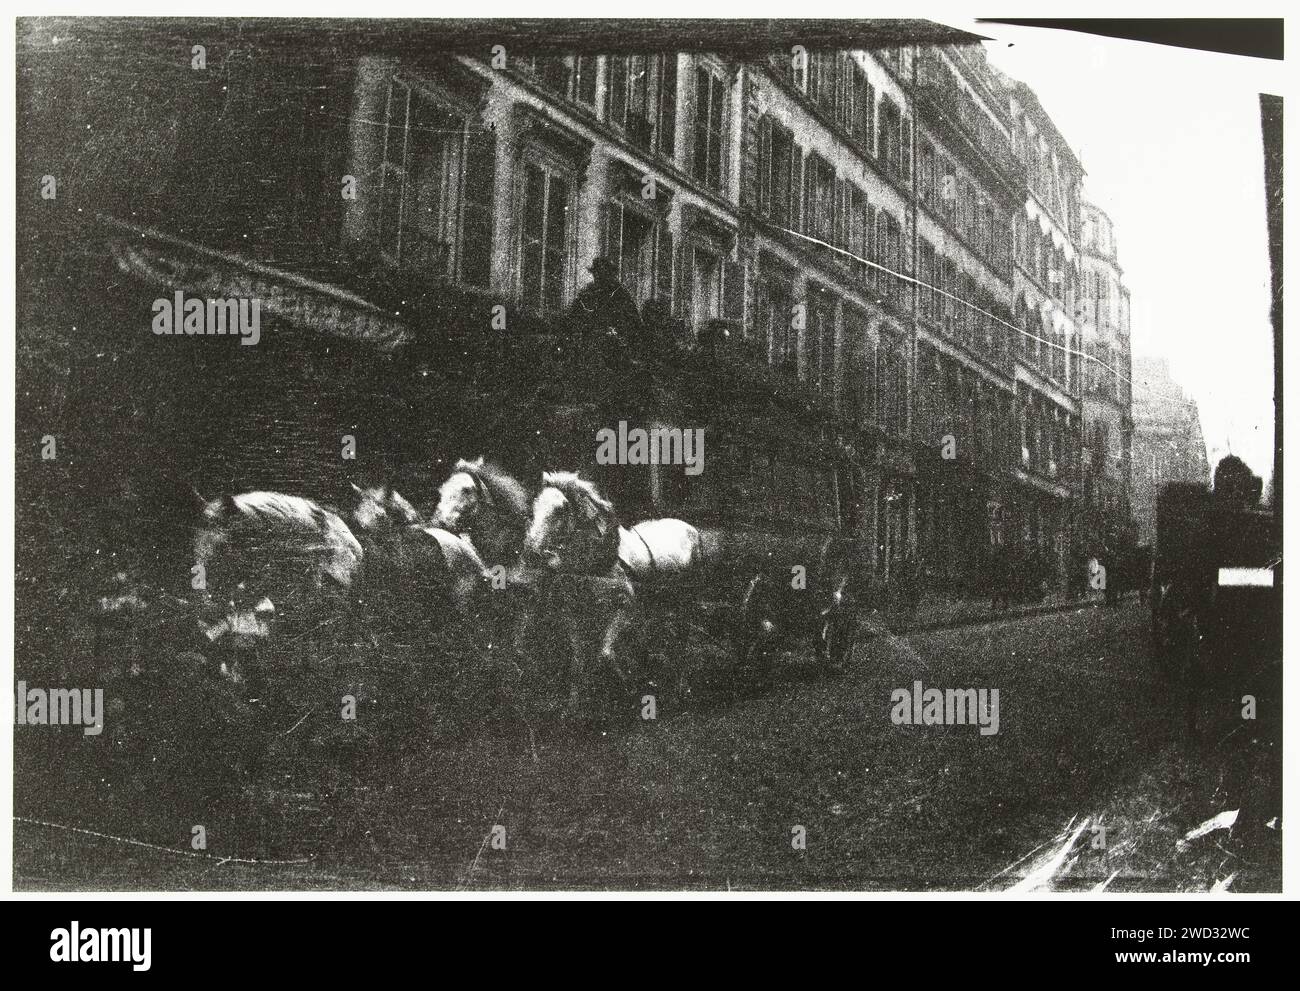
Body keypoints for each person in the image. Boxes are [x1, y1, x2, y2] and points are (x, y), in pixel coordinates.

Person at [570, 257, 644, 341]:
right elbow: (574, 316)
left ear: (610, 274)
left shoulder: (620, 293)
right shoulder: (586, 292)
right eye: (596, 273)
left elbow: (634, 323)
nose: (598, 277)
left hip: (612, 344)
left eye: (602, 274)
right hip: (589, 342)